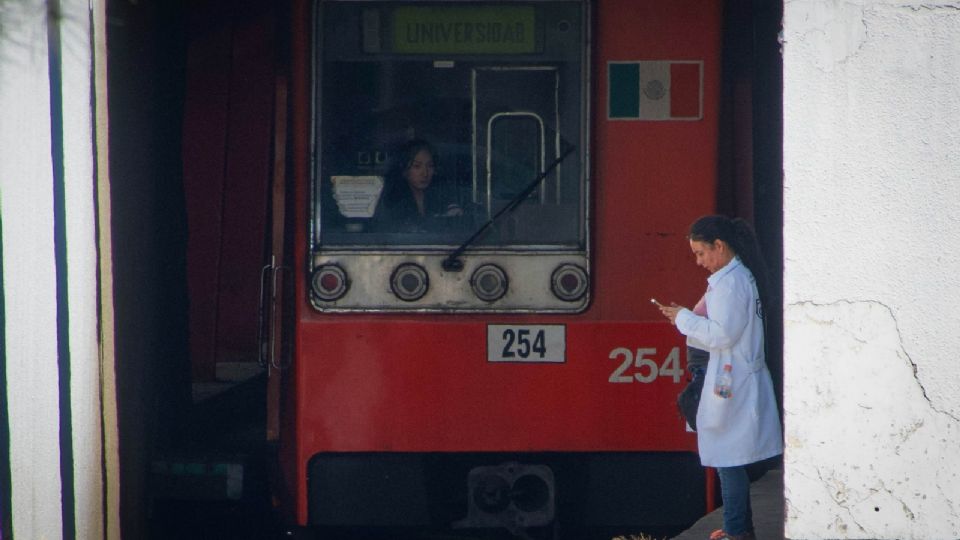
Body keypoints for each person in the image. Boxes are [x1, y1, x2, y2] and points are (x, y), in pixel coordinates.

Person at [657, 215, 783, 540]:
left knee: (728, 458)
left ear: (719, 246)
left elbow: (723, 334)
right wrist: (685, 318)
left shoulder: (731, 283)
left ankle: (737, 530)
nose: (699, 262)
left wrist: (683, 318)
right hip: (735, 378)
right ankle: (738, 527)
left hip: (732, 382)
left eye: (701, 253)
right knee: (731, 457)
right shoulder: (736, 279)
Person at [378, 138, 463, 231]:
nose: (425, 173)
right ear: (404, 170)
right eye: (417, 166)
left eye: (430, 166)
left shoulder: (442, 195)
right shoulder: (392, 201)